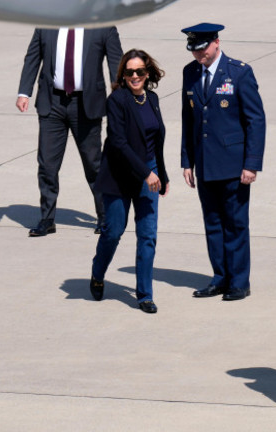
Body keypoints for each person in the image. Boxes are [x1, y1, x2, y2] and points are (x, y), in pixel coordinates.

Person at [180, 23, 266, 301]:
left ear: (216, 42)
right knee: (213, 223)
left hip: (233, 164)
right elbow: (188, 120)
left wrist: (251, 164)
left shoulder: (239, 72)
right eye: (194, 50)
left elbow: (255, 120)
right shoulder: (190, 73)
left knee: (236, 223)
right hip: (204, 163)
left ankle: (239, 281)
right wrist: (187, 161)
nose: (199, 55)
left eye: (202, 48)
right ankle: (220, 277)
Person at [16, 27, 123, 236]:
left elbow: (115, 62)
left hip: (86, 105)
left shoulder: (103, 25)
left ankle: (104, 217)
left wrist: (120, 97)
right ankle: (47, 219)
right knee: (47, 165)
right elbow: (32, 57)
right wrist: (24, 92)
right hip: (52, 102)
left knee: (93, 165)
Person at [88, 49, 169, 314]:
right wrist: (146, 173)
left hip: (150, 174)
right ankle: (98, 273)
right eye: (129, 72)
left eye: (140, 72)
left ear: (148, 73)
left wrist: (162, 174)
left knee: (148, 235)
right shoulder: (118, 100)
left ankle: (144, 294)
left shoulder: (153, 99)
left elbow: (157, 141)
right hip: (120, 176)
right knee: (113, 231)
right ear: (123, 75)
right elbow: (119, 143)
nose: (135, 76)